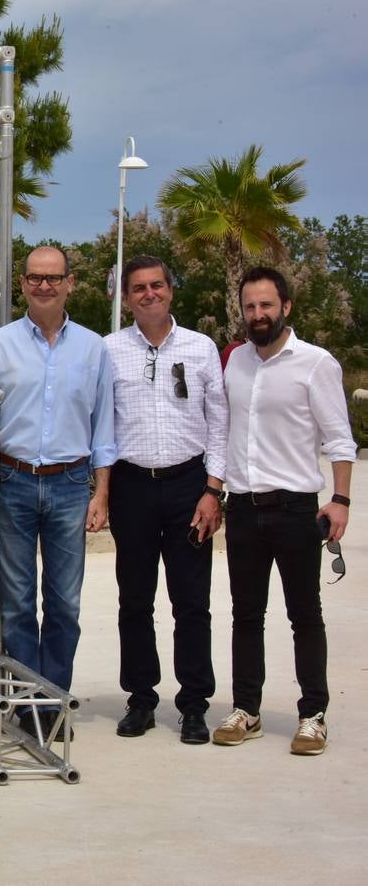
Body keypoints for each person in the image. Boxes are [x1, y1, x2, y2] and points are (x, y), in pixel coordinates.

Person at [0, 245, 116, 741]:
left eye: (54, 278)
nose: (44, 286)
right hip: (12, 482)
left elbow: (104, 428)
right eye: (35, 277)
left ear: (70, 283)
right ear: (23, 283)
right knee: (15, 604)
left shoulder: (95, 348)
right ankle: (25, 704)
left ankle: (52, 703)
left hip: (72, 483)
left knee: (64, 605)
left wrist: (101, 493)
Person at [215, 266, 356, 756]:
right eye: (250, 307)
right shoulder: (235, 362)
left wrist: (340, 500)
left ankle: (312, 714)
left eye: (266, 306)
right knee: (246, 615)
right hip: (244, 510)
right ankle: (246, 710)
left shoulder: (316, 364)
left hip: (297, 510)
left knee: (305, 615)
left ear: (286, 307)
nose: (258, 315)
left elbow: (340, 438)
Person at [104, 256, 228, 745]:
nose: (148, 294)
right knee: (134, 601)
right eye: (138, 288)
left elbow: (220, 422)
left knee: (191, 602)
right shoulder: (109, 350)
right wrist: (104, 492)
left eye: (157, 285)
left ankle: (194, 705)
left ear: (171, 291)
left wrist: (213, 489)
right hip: (133, 486)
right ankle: (140, 699)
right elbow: (103, 428)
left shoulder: (200, 348)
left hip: (188, 487)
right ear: (127, 297)